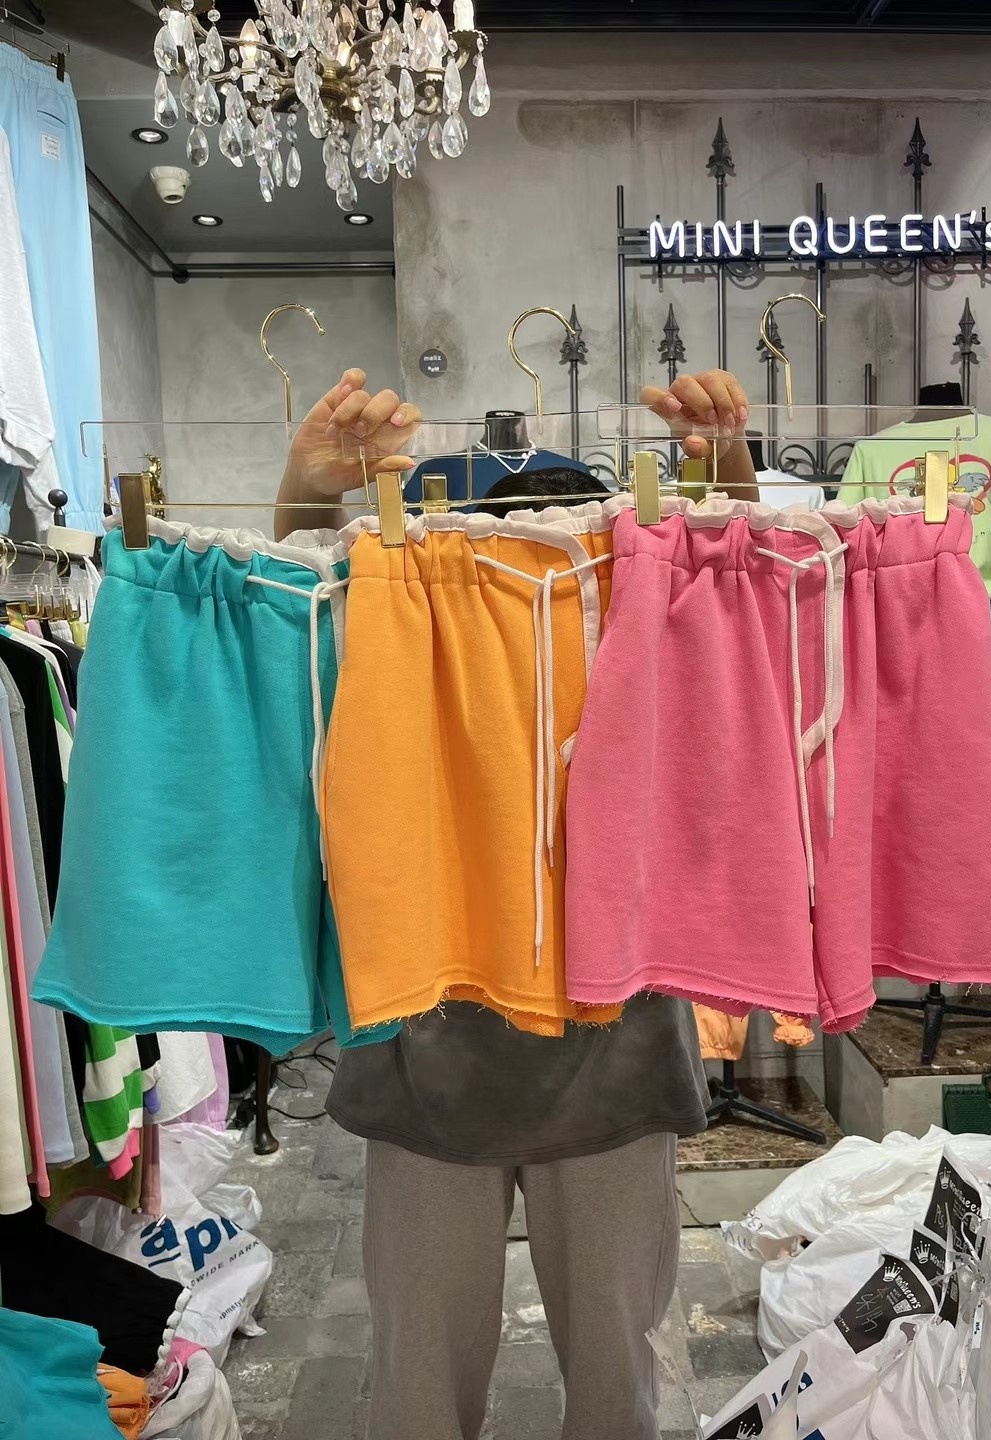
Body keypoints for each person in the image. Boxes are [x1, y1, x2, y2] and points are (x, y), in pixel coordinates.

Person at [276, 368, 755, 1440]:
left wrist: (727, 468)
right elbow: (299, 614)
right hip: (429, 1054)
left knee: (614, 1384)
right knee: (418, 1389)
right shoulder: (406, 615)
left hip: (614, 1056)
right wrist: (311, 493)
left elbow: (742, 610)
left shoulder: (636, 612)